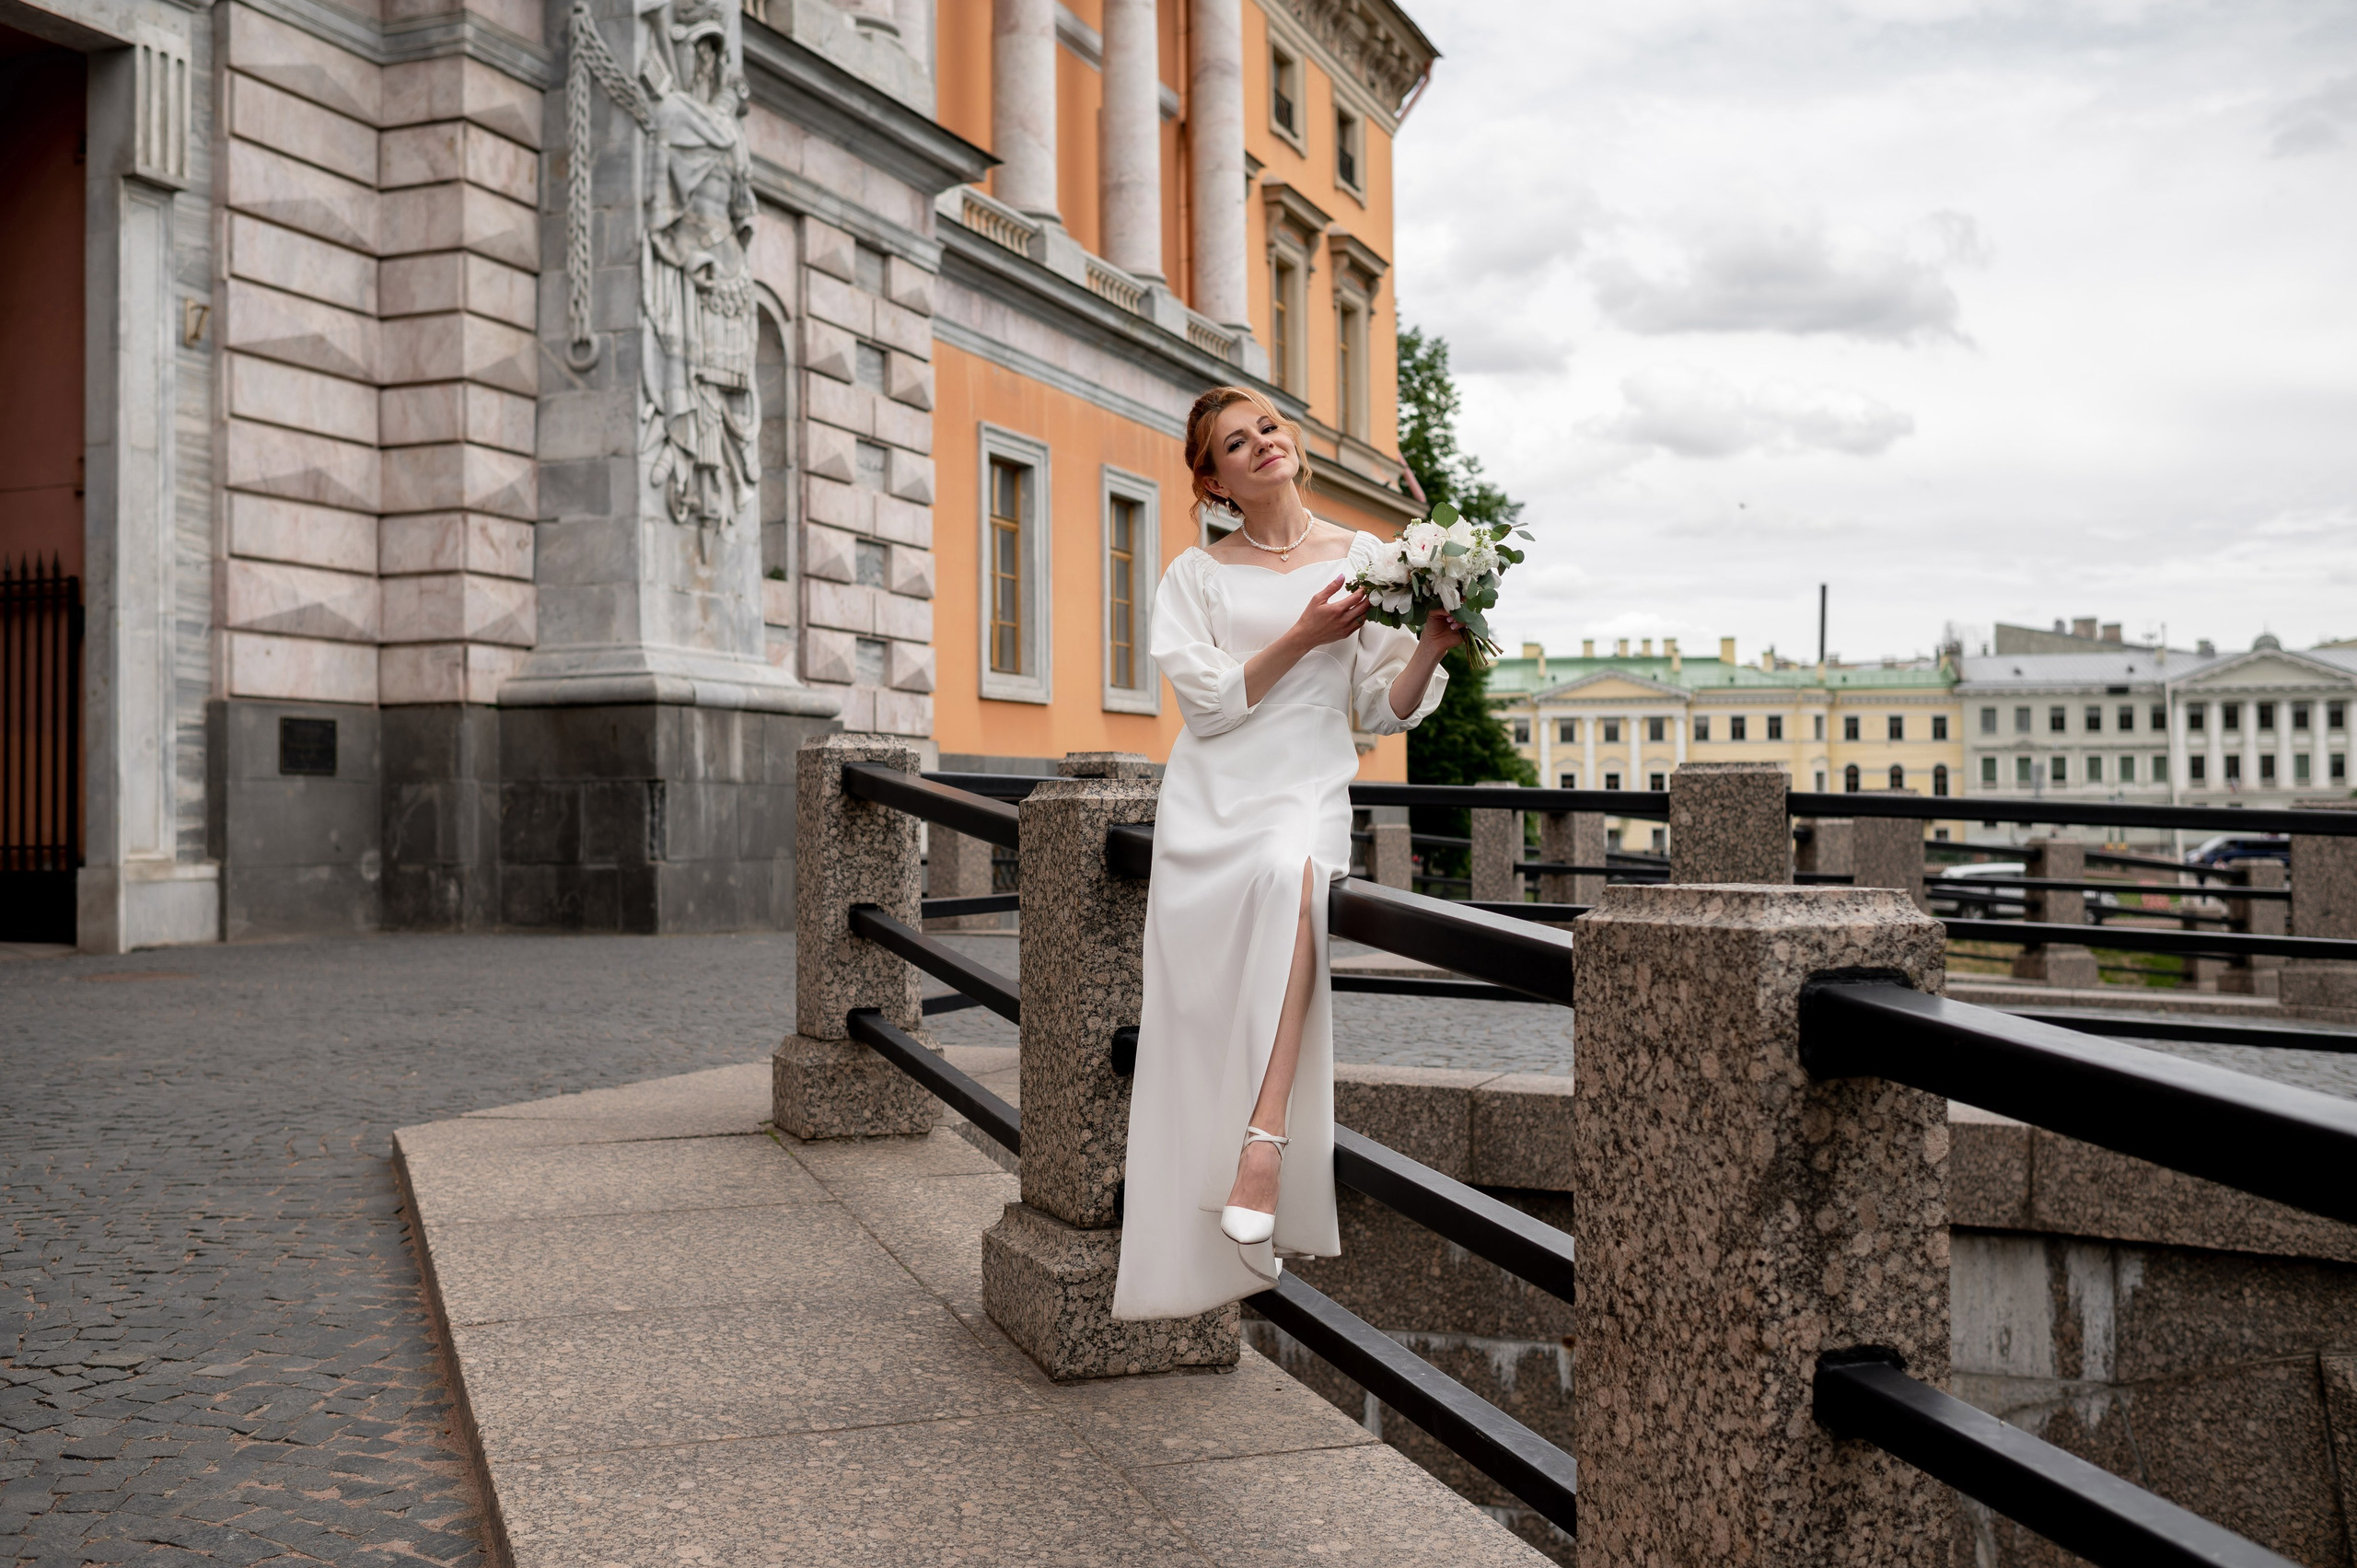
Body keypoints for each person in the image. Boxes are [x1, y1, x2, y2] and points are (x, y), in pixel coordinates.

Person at [1111, 387, 1460, 1321]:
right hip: (1212, 795)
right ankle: (1201, 1211)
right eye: (1235, 441)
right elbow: (1209, 706)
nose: (1261, 442)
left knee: (1292, 876)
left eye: (1267, 425)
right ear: (1212, 478)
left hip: (1305, 787)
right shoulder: (1195, 574)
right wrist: (1304, 632)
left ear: (1290, 440)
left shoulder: (1366, 558)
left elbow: (1377, 709)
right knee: (1196, 1016)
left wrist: (1427, 646)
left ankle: (1262, 1146)